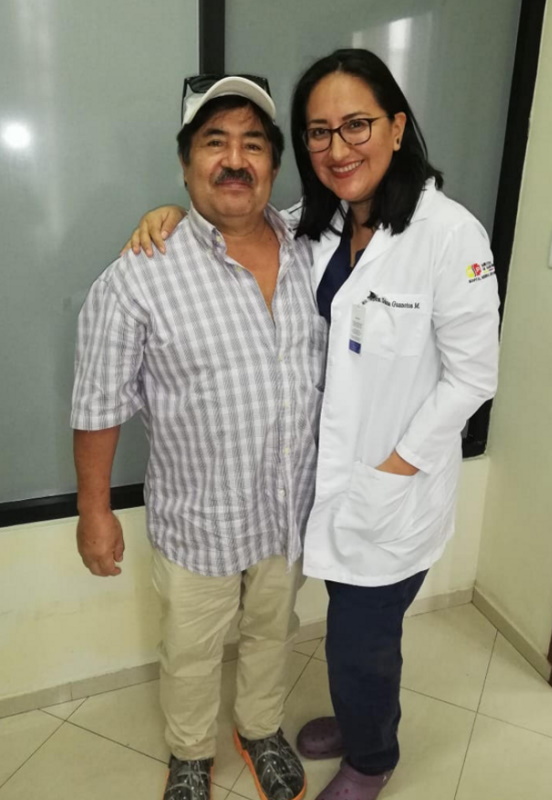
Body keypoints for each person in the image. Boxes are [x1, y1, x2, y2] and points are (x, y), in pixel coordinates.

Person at [124, 49, 499, 800]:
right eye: (318, 132)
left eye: (355, 125)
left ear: (396, 127)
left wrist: (395, 465)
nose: (336, 148)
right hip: (322, 487)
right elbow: (241, 219)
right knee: (347, 631)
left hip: (392, 490)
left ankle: (371, 759)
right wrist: (172, 215)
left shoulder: (449, 236)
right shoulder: (319, 225)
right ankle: (360, 720)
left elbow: (474, 377)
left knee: (364, 640)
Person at [72, 74, 327, 800]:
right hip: (199, 519)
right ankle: (190, 752)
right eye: (215, 143)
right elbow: (97, 404)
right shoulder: (138, 277)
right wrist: (95, 511)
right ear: (186, 164)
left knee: (274, 631)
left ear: (276, 166)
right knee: (190, 650)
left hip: (288, 509)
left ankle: (259, 728)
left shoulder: (315, 245)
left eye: (253, 144)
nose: (235, 160)